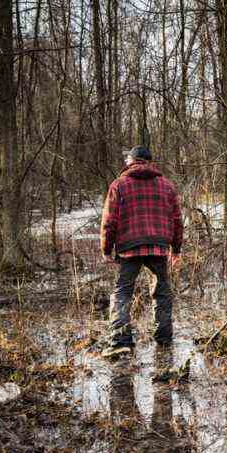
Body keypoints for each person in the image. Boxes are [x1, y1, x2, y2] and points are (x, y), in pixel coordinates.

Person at [99, 145, 183, 358]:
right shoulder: (167, 186)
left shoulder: (119, 185)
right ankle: (164, 338)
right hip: (158, 247)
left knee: (123, 292)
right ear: (149, 161)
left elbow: (110, 221)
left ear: (132, 161)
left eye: (127, 159)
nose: (125, 162)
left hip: (129, 247)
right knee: (162, 293)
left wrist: (106, 249)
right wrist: (176, 249)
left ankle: (120, 341)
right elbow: (176, 220)